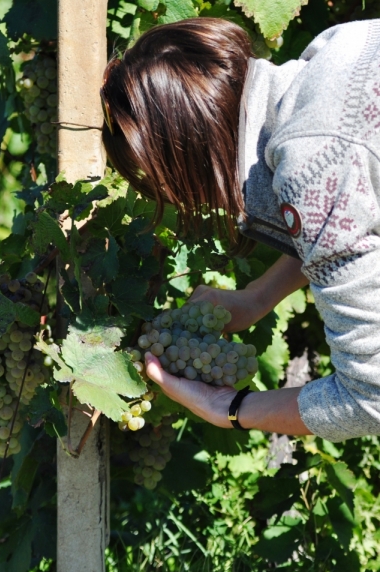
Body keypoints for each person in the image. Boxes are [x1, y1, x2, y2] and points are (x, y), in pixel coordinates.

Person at [100, 17, 380, 442]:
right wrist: (258, 297)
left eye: (169, 188)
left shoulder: (310, 170)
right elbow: (348, 215)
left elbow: (370, 399)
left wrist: (229, 408)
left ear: (189, 155)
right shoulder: (341, 46)